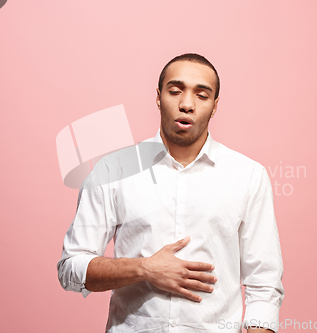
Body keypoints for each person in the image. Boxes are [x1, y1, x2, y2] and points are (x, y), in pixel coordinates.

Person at [57, 53, 284, 333]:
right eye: (175, 91)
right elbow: (71, 269)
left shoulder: (248, 175)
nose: (186, 104)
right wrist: (144, 269)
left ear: (215, 106)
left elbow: (265, 282)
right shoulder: (112, 170)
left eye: (202, 95)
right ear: (158, 96)